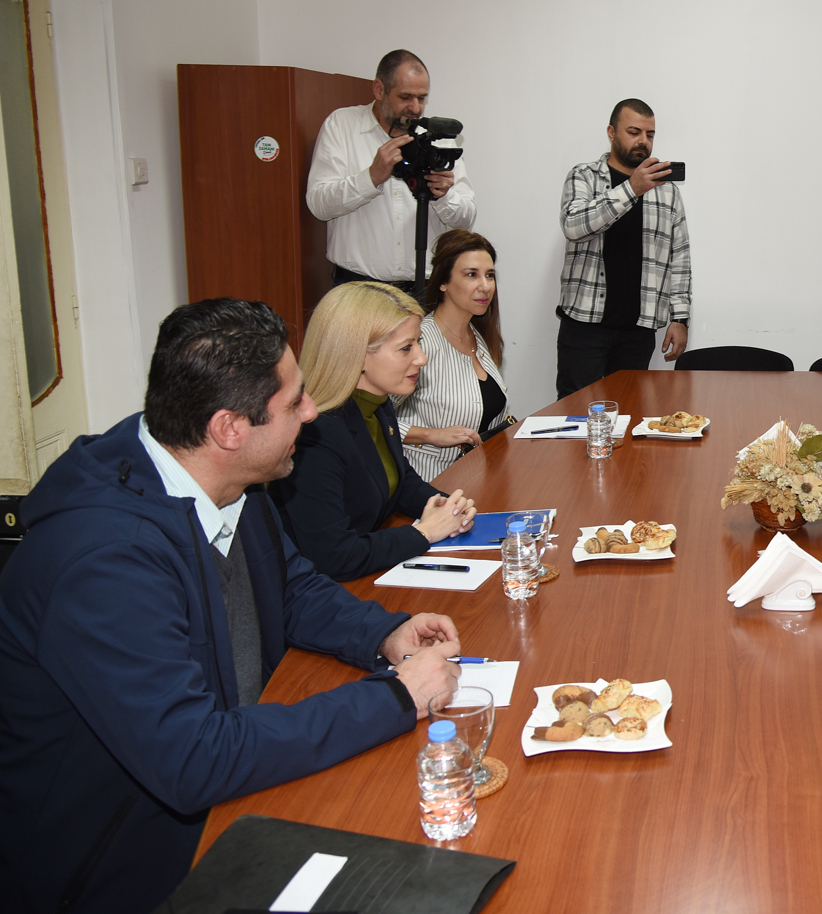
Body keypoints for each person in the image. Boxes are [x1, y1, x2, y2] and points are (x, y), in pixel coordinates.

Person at [0, 298, 464, 914]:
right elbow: (193, 756)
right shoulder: (102, 563)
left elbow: (291, 587)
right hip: (120, 864)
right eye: (294, 402)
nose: (312, 412)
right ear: (229, 429)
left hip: (231, 790)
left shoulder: (226, 479)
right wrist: (395, 697)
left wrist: (384, 633)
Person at [271, 283, 477, 581]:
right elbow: (334, 556)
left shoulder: (376, 403)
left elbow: (401, 481)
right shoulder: (314, 436)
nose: (422, 358)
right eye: (406, 348)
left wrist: (450, 508)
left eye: (418, 343)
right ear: (357, 355)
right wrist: (424, 532)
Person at [306, 49, 476, 291]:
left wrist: (443, 196)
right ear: (379, 89)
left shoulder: (438, 137)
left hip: (425, 288)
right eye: (405, 97)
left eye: (422, 98)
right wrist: (371, 178)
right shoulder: (342, 125)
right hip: (358, 289)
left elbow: (466, 219)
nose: (415, 108)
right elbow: (319, 206)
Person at [556, 98, 690, 399]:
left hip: (639, 329)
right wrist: (632, 188)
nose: (643, 141)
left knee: (630, 411)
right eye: (634, 132)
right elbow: (574, 226)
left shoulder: (667, 191)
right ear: (611, 132)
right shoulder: (583, 176)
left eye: (650, 134)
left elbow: (680, 257)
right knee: (574, 412)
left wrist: (680, 319)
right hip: (584, 324)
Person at [397, 229, 515, 480]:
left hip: (481, 479)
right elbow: (370, 418)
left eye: (490, 275)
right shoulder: (419, 341)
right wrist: (431, 435)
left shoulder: (480, 336)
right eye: (472, 274)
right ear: (443, 282)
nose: (485, 286)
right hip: (430, 484)